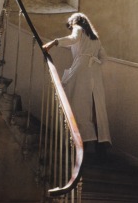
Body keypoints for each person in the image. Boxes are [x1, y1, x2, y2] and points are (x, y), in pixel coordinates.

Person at [42, 12, 111, 158]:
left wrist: (53, 42)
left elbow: (73, 39)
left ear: (75, 22)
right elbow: (104, 58)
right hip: (94, 73)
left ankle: (77, 143)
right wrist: (94, 61)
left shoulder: (78, 27)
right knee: (93, 106)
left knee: (76, 103)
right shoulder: (95, 38)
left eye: (71, 25)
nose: (71, 27)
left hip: (81, 69)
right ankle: (94, 145)